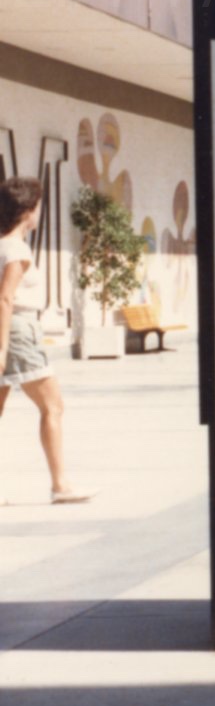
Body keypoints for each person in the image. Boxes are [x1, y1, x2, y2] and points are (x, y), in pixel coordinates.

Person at [0, 178, 94, 504]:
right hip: (18, 332)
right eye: (38, 206)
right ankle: (61, 486)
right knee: (53, 406)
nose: (39, 213)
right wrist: (2, 348)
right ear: (27, 210)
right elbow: (5, 299)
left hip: (9, 330)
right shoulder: (16, 249)